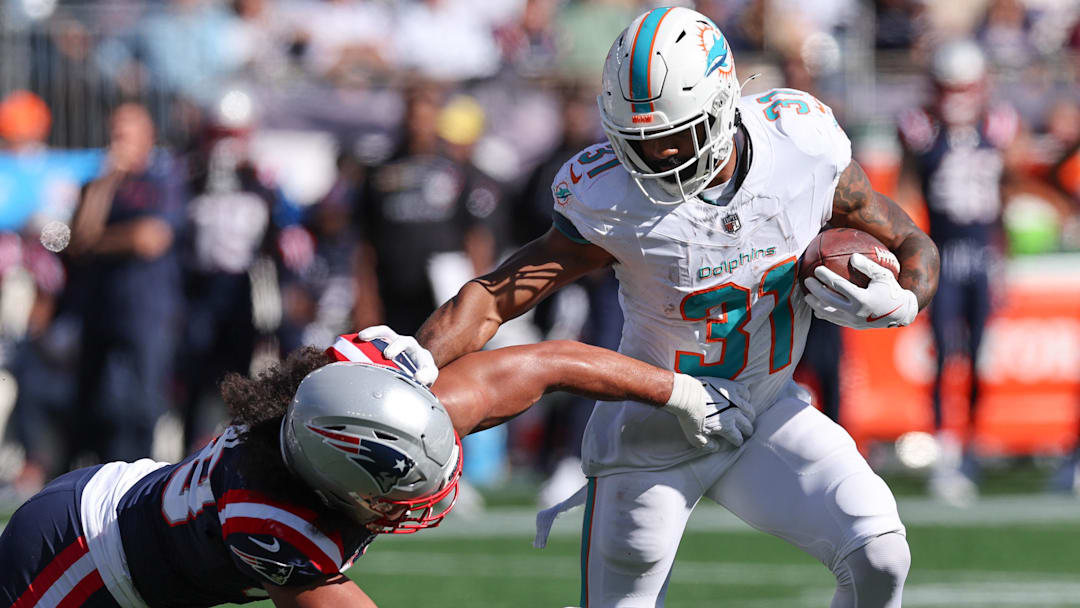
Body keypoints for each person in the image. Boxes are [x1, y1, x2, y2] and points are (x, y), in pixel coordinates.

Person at [411, 7, 940, 607]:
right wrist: (414, 366)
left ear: (721, 105)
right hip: (655, 424)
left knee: (880, 553)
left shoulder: (800, 144)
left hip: (765, 409)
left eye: (672, 136)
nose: (658, 157)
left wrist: (904, 299)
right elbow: (497, 295)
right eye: (640, 142)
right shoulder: (612, 196)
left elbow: (908, 238)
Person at [0, 327, 750, 608]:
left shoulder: (371, 405)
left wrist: (681, 390)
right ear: (335, 487)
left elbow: (551, 361)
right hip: (79, 565)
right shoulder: (277, 525)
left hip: (122, 504)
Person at [897, 40, 1018, 505]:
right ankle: (946, 449)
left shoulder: (1000, 123)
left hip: (982, 254)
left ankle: (971, 445)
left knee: (980, 357)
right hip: (942, 253)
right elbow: (907, 195)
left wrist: (1006, 259)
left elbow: (1006, 189)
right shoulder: (920, 128)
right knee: (946, 353)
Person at [68, 102, 185, 463]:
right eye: (114, 132)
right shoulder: (98, 183)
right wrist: (105, 185)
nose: (118, 141)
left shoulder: (163, 179)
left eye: (126, 133)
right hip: (102, 308)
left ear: (147, 136)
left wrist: (100, 241)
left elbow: (150, 239)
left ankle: (139, 476)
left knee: (141, 403)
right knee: (94, 403)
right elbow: (78, 241)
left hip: (147, 309)